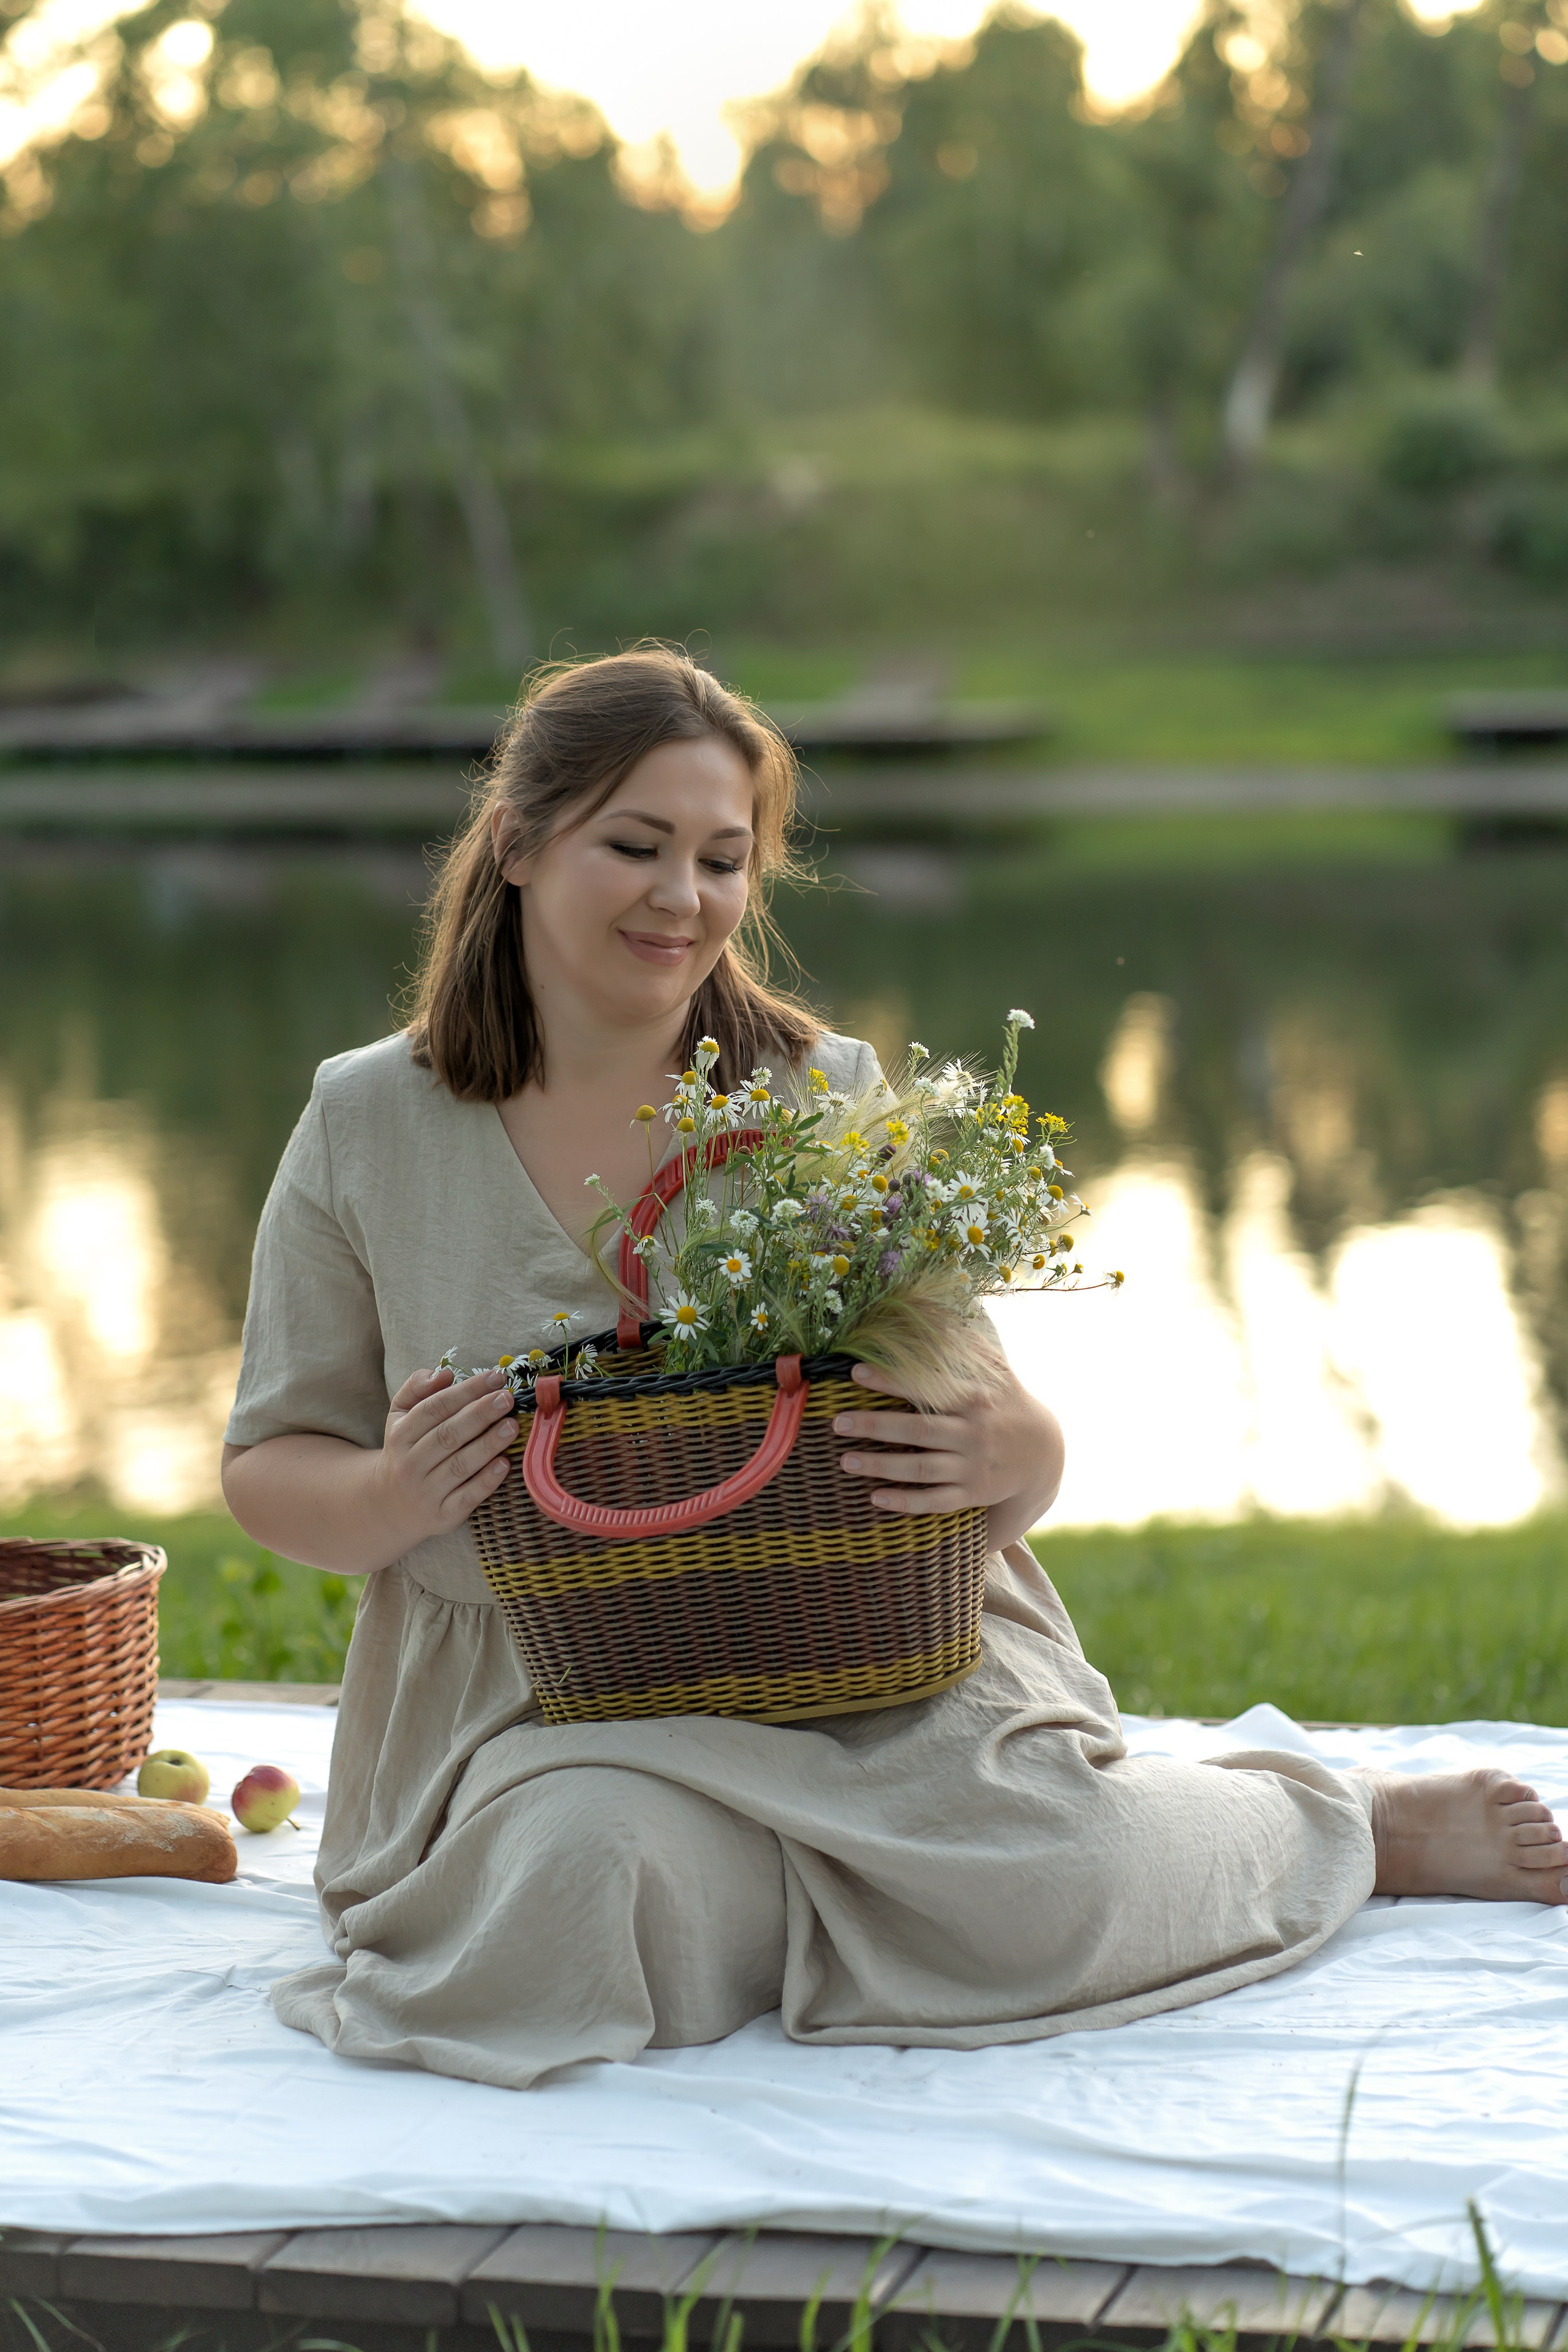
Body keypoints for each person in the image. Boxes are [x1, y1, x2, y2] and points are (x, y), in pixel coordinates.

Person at [222, 647, 1568, 2093]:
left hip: (859, 1677)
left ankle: (1334, 1818)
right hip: (548, 1708)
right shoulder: (367, 1119)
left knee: (1062, 1880)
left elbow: (1001, 1429)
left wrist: (1014, 1457)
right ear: (518, 842)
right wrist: (393, 1490)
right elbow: (270, 1466)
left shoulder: (823, 1098)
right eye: (635, 845)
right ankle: (853, 1905)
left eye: (723, 859)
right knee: (568, 1896)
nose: (681, 898)